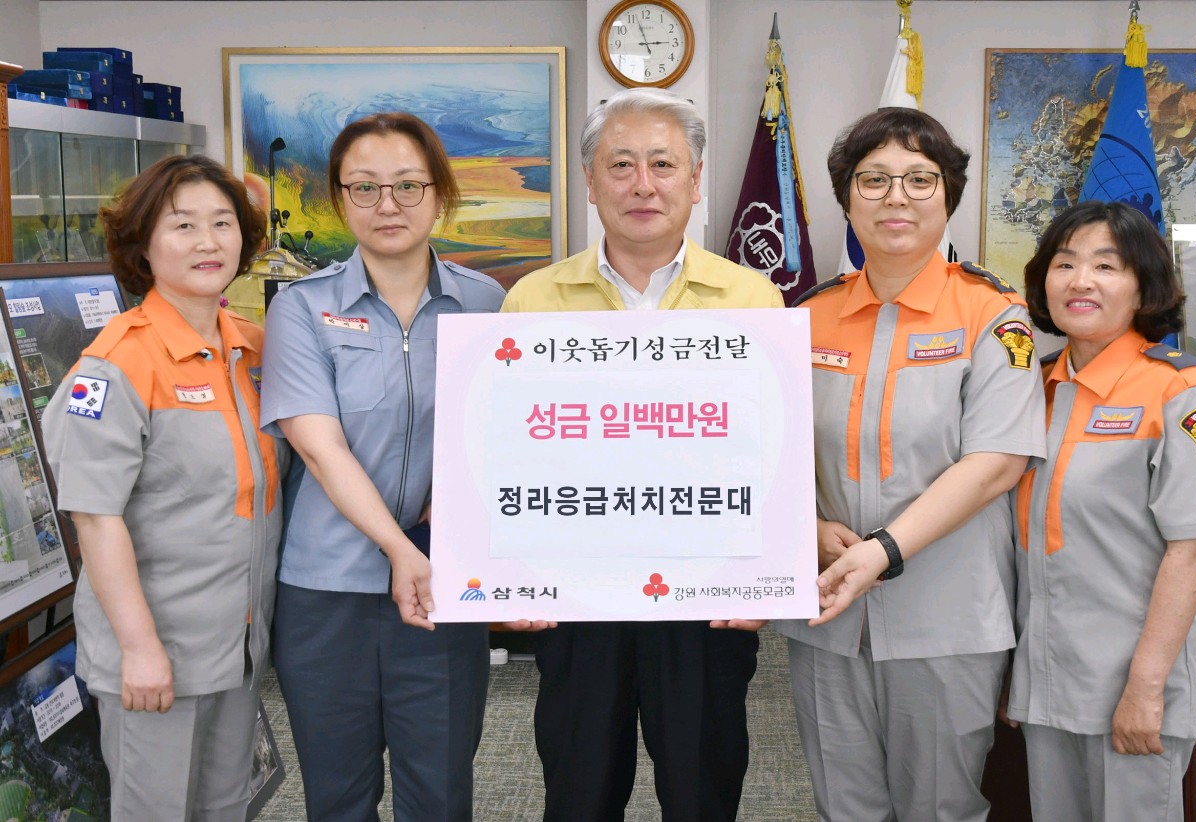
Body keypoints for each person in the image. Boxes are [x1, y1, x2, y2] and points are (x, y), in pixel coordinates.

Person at [502, 87, 783, 822]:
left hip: (707, 593)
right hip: (576, 590)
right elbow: (509, 454)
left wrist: (767, 576)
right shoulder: (532, 300)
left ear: (696, 180)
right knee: (579, 790)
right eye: (620, 164)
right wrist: (512, 576)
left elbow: (773, 454)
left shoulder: (754, 300)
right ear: (590, 182)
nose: (643, 184)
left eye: (663, 164)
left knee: (701, 791)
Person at [775, 107, 1046, 821]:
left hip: (947, 618)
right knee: (845, 807)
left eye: (920, 179)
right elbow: (767, 452)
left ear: (947, 196)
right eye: (874, 179)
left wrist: (883, 550)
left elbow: (996, 462)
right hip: (829, 612)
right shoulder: (806, 317)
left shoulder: (993, 316)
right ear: (846, 199)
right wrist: (805, 527)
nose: (896, 197)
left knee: (939, 808)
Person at [260, 112, 507, 820]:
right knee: (338, 796)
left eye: (407, 185)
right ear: (340, 200)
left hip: (443, 586)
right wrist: (400, 549)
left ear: (439, 193)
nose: (387, 204)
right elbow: (319, 445)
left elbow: (502, 437)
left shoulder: (485, 303)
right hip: (325, 592)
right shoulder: (300, 309)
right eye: (364, 187)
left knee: (439, 792)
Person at [41, 154, 280, 820]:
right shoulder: (117, 364)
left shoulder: (251, 349)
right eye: (183, 225)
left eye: (223, 223)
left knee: (226, 807)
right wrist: (140, 649)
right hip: (156, 655)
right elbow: (95, 518)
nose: (208, 242)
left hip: (237, 647)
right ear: (143, 244)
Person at [1007, 200, 1196, 820]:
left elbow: (1193, 547)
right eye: (1064, 264)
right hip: (1045, 681)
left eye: (1106, 266)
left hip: (1132, 686)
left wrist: (1145, 688)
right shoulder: (1034, 390)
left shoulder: (1179, 392)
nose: (1080, 280)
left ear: (1144, 286)